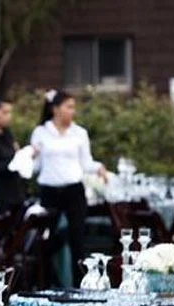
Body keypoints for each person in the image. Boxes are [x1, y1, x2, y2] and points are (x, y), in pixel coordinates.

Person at [30, 90, 107, 284]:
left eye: (73, 107)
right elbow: (36, 167)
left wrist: (99, 168)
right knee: (48, 241)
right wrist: (27, 157)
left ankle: (80, 285)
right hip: (50, 191)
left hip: (73, 191)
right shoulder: (41, 132)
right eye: (68, 107)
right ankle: (48, 283)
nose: (72, 111)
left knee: (77, 240)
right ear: (55, 109)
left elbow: (86, 162)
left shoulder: (79, 133)